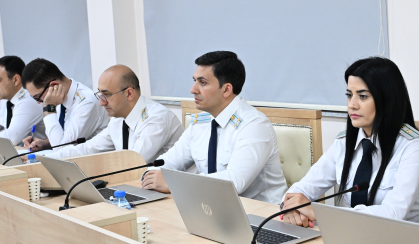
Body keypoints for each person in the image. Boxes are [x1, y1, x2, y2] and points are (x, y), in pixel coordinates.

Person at [280, 57, 419, 228]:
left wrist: (319, 212)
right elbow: (303, 188)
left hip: (411, 239)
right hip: (361, 236)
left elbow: (393, 213)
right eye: (349, 95)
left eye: (363, 96)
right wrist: (291, 208)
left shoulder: (413, 146)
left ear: (387, 99)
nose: (352, 105)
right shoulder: (344, 142)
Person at [141, 51, 287, 204]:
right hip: (214, 207)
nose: (193, 89)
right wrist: (150, 174)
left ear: (226, 90)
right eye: (195, 81)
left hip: (259, 213)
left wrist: (174, 183)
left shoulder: (254, 125)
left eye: (202, 82)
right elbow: (166, 162)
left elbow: (234, 182)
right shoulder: (201, 122)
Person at [44, 65, 183, 161]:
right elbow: (88, 148)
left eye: (107, 95)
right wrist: (45, 159)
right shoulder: (119, 119)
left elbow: (132, 164)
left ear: (129, 93)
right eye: (100, 95)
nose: (101, 102)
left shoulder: (156, 119)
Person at [20, 59, 108, 151]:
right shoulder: (60, 98)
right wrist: (45, 143)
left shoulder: (86, 103)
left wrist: (49, 108)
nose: (38, 102)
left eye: (37, 97)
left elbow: (61, 149)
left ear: (54, 86)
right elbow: (65, 139)